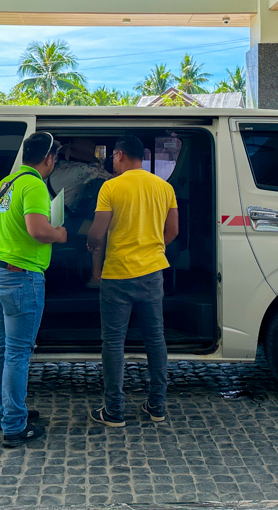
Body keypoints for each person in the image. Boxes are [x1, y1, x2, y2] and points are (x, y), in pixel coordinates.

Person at [86, 135, 179, 427]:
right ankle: (157, 405)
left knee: (113, 343)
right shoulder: (164, 188)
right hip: (152, 273)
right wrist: (154, 248)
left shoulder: (111, 187)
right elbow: (173, 230)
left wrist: (90, 245)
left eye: (113, 156)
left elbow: (98, 231)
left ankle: (114, 411)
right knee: (155, 340)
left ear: (121, 155)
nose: (112, 160)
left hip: (117, 275)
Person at [0, 131, 67, 448]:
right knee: (18, 354)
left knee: (2, 350)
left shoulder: (5, 183)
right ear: (49, 159)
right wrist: (60, 234)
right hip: (20, 278)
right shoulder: (33, 185)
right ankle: (15, 427)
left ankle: (4, 412)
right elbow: (38, 230)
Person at [49, 138, 112, 287]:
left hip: (45, 218)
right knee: (99, 230)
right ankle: (96, 277)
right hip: (59, 221)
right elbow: (113, 179)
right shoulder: (81, 170)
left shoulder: (57, 168)